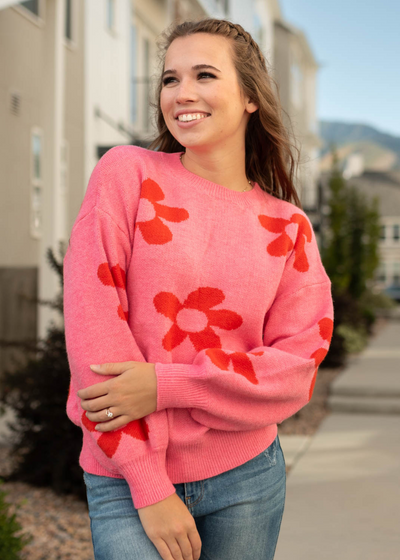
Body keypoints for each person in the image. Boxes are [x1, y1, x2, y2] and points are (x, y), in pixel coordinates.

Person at [63, 17, 334, 560]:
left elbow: (297, 367)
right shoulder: (128, 175)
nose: (181, 93)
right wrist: (148, 484)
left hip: (247, 477)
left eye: (204, 75)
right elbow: (94, 328)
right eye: (169, 79)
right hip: (125, 475)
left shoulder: (287, 227)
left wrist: (168, 385)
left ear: (250, 98)